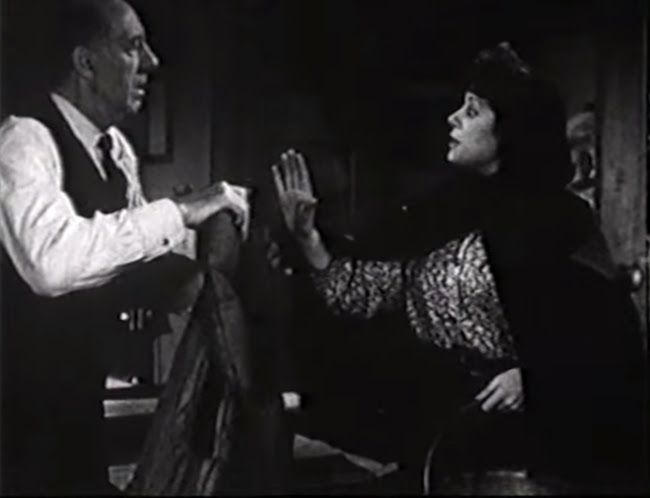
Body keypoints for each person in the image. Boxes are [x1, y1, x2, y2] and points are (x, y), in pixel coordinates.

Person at [272, 42, 645, 493]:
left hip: (544, 457)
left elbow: (612, 342)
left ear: (509, 131)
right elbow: (367, 292)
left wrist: (536, 377)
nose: (453, 119)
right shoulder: (443, 213)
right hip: (451, 440)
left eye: (472, 111)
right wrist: (308, 238)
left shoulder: (562, 222)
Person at [0, 0, 249, 494]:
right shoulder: (22, 141)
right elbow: (52, 265)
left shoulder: (117, 152)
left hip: (77, 420)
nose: (151, 62)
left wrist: (211, 266)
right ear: (86, 62)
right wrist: (182, 212)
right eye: (133, 46)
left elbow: (128, 259)